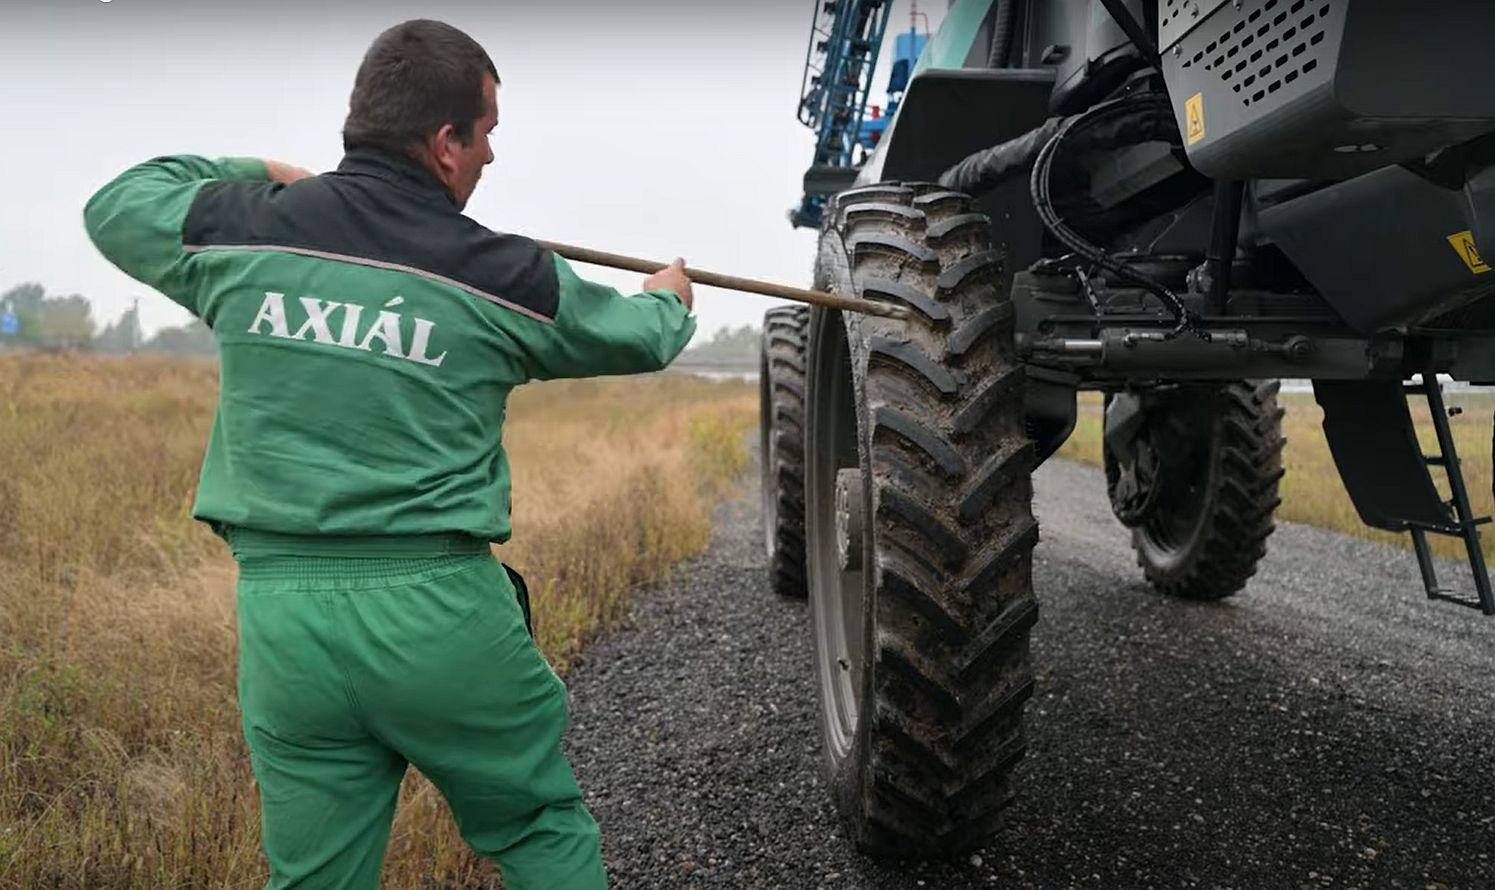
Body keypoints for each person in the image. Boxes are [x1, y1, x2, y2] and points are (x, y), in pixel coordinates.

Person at [82, 18, 695, 890]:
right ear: (445, 142)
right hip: (438, 614)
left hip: (283, 626)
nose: (490, 156)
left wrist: (268, 172)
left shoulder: (241, 231)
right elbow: (639, 337)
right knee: (536, 829)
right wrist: (669, 295)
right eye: (486, 133)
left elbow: (121, 200)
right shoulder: (502, 273)